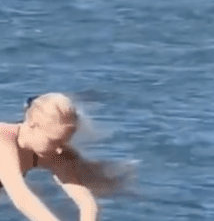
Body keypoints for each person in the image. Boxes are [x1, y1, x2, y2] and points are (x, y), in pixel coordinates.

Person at [0, 93, 132, 221]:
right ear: (32, 124)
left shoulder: (55, 152)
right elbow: (21, 197)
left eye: (64, 141)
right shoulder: (4, 140)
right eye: (54, 141)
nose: (59, 149)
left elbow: (87, 204)